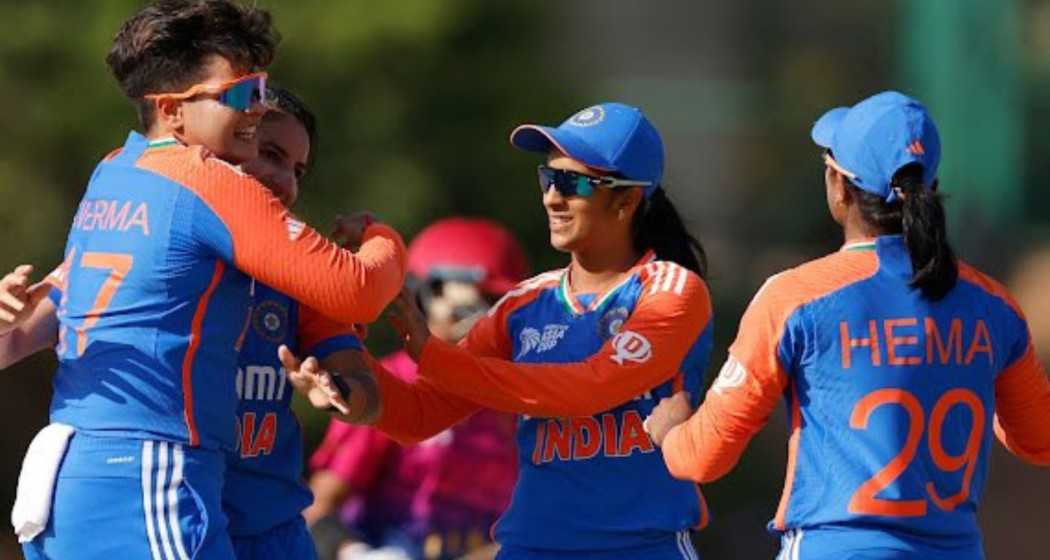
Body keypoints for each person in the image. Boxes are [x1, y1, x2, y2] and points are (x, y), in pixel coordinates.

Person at [10, 2, 405, 558]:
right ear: (172, 112)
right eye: (243, 96)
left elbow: (30, 327)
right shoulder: (209, 181)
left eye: (262, 89)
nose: (257, 108)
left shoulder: (116, 170)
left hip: (76, 468)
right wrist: (384, 237)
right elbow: (359, 288)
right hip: (150, 470)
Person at [286, 102, 714, 560]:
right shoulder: (522, 306)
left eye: (572, 183)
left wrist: (433, 354)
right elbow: (421, 413)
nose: (552, 198)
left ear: (626, 200)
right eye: (548, 179)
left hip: (639, 550)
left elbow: (590, 387)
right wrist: (345, 379)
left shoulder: (672, 291)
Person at [645, 91, 1050, 559]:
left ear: (839, 187)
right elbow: (1038, 439)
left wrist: (670, 430)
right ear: (930, 183)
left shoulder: (795, 298)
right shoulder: (993, 305)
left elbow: (702, 457)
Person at [306, 218, 526, 560]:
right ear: (427, 297)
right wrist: (356, 553)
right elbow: (319, 508)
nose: (486, 321)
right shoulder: (388, 384)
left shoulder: (513, 399)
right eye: (476, 304)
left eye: (498, 307)